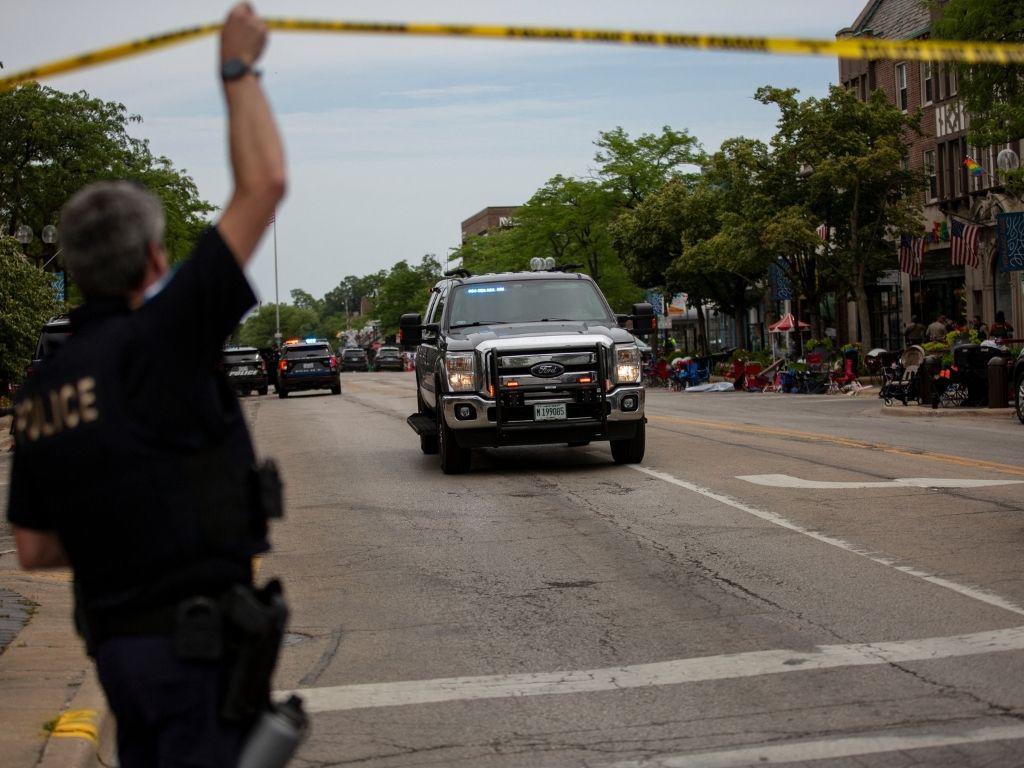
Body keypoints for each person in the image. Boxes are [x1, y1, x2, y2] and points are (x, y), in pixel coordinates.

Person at [7, 5, 287, 767]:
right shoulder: (166, 337)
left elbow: (32, 547)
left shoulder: (41, 391)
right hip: (194, 648)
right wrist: (239, 69)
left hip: (117, 650)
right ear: (156, 262)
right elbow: (263, 184)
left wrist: (119, 539)